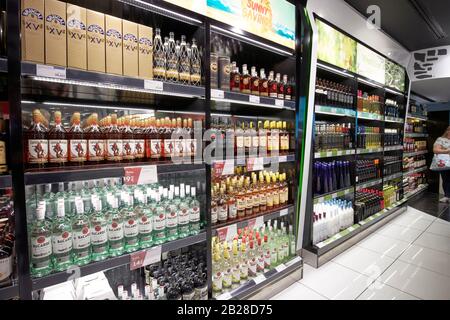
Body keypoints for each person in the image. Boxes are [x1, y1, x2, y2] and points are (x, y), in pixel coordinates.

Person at [433, 126, 450, 202]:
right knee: (446, 179)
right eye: (449, 130)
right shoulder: (441, 139)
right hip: (444, 163)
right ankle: (447, 196)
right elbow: (435, 150)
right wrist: (446, 151)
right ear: (447, 131)